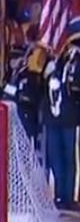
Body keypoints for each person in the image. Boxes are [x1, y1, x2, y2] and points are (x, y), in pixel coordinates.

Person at [43, 26, 80, 212]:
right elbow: (44, 88)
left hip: (71, 117)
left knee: (70, 158)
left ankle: (70, 196)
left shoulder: (78, 62)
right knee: (55, 158)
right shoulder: (54, 62)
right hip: (53, 118)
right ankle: (59, 195)